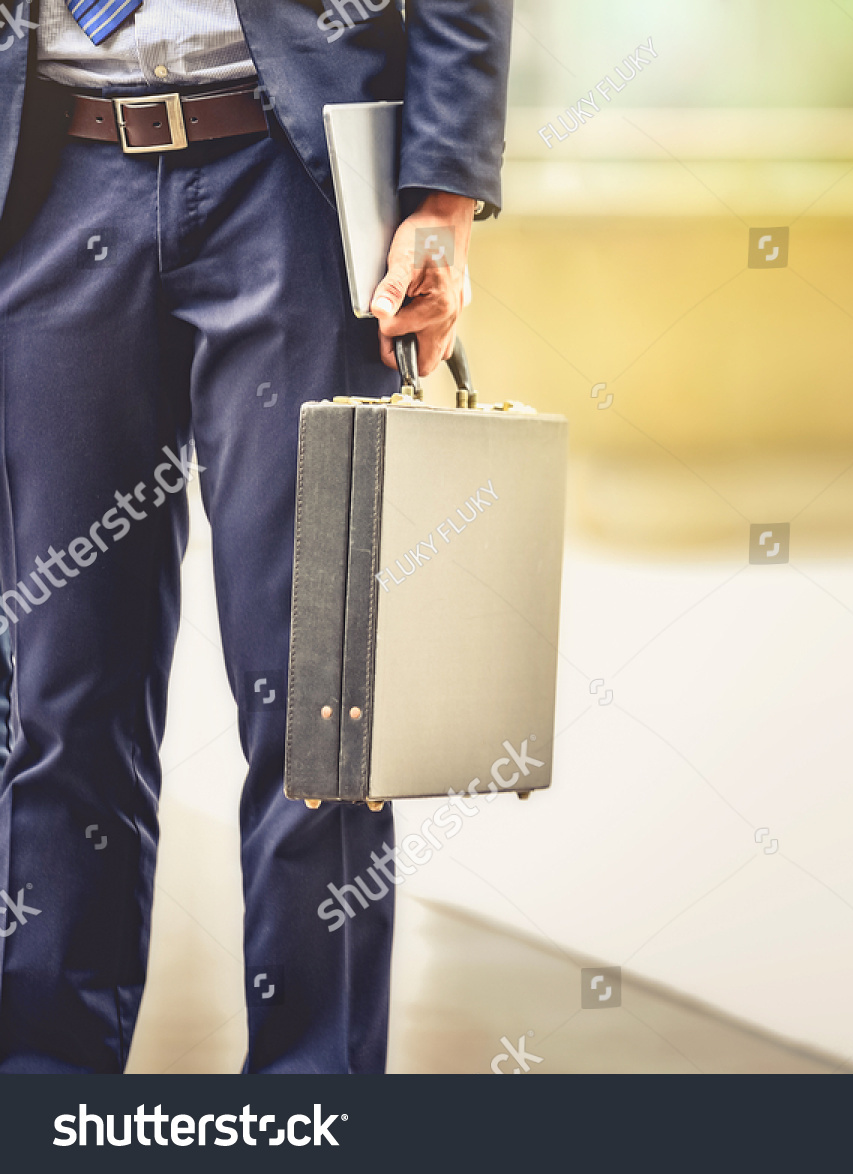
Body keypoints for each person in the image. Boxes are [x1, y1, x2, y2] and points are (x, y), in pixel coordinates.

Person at [0, 0, 511, 1073]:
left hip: (291, 181)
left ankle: (311, 1104)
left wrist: (445, 189)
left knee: (316, 701)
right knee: (59, 697)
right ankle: (43, 1092)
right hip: (46, 179)